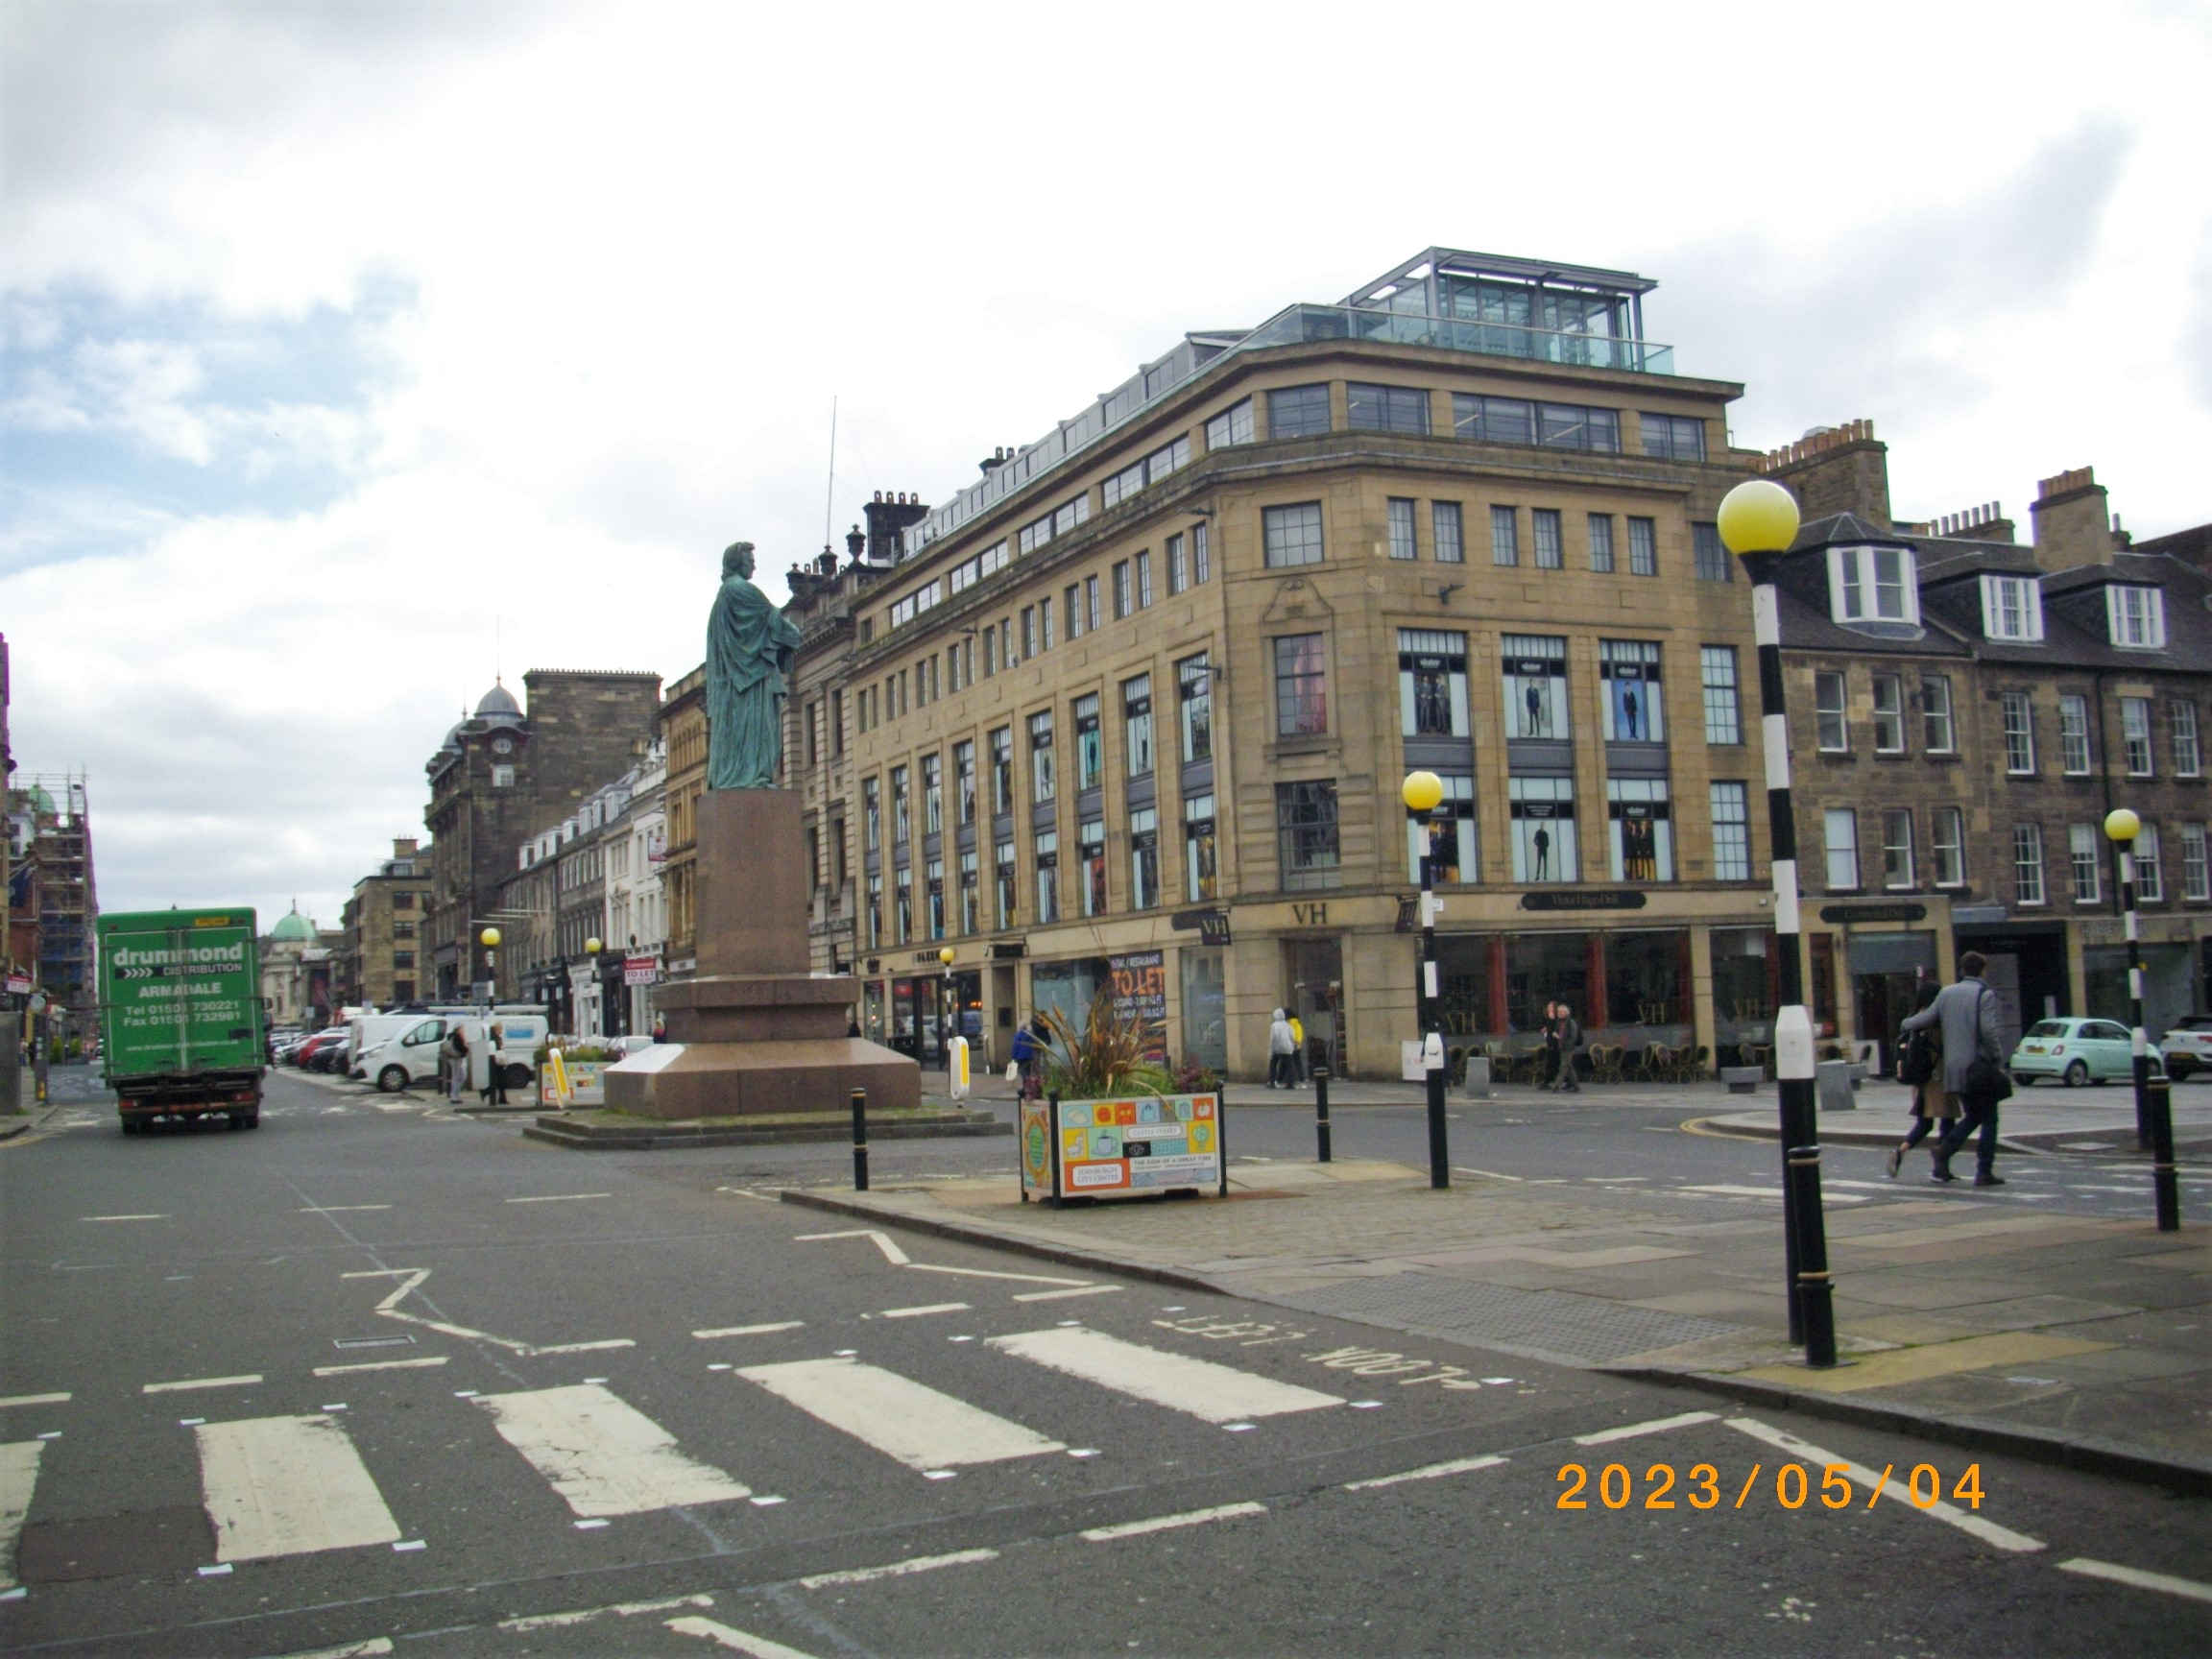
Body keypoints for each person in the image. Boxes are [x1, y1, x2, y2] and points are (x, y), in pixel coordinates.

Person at [1900, 951, 2008, 1186]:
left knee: (1973, 1114)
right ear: (1982, 970)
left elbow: (1923, 1019)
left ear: (1962, 970)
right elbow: (1988, 1031)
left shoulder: (1946, 993)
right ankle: (1981, 1169)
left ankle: (1946, 1150)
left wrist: (1906, 1023)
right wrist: (1998, 1057)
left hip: (1953, 1070)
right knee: (1989, 1118)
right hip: (1978, 1068)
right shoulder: (1984, 994)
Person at [1887, 982, 1955, 1177]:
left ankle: (1900, 1151)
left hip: (1920, 1079)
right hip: (1937, 1077)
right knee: (1947, 1121)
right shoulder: (1934, 1018)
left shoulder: (1913, 1018)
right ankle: (1941, 1166)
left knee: (1924, 1123)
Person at [1550, 1001, 1583, 1093]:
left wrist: (1568, 1045)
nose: (1559, 1014)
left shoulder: (1570, 1022)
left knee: (1563, 1067)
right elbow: (1558, 1032)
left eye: (1561, 1012)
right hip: (1561, 1046)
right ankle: (1576, 1086)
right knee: (1569, 1067)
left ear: (1566, 1012)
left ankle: (1556, 1086)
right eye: (1558, 1012)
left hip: (1568, 1048)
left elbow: (1573, 1036)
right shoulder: (1559, 1022)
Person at [1267, 1008, 1297, 1089]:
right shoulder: (1287, 1025)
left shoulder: (1274, 1025)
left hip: (1278, 1048)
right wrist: (1292, 1045)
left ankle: (1272, 1082)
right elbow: (1292, 1035)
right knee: (1289, 1065)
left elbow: (1273, 1038)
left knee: (1273, 1064)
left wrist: (1271, 1051)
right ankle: (1290, 1083)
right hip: (1287, 1048)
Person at [482, 1023, 508, 1106]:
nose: (502, 1031)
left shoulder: (496, 1037)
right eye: (501, 1029)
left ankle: (502, 1098)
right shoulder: (494, 1038)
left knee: (500, 1080)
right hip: (496, 1061)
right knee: (497, 1080)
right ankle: (485, 1091)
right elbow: (496, 1048)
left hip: (497, 1061)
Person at [445, 1023, 469, 1105]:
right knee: (460, 1077)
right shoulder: (457, 1037)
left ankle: (456, 1095)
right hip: (456, 1059)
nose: (464, 1030)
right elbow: (462, 1049)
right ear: (458, 1029)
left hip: (454, 1059)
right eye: (462, 1029)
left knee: (457, 1077)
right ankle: (454, 1095)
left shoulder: (453, 1037)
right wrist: (466, 1048)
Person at [1288, 1011, 1309, 1086]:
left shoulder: (1289, 1024)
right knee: (1298, 1063)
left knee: (1288, 1063)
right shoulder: (1297, 1024)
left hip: (1290, 1046)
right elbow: (1300, 1034)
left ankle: (1290, 1078)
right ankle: (1302, 1078)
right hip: (1297, 1046)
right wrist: (1298, 1043)